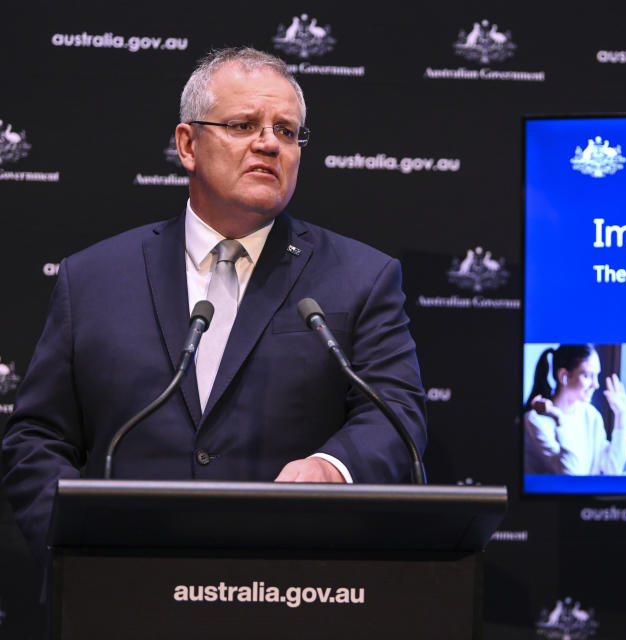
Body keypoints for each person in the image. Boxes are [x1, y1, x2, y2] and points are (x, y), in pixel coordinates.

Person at [0, 47, 427, 556]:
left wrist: (333, 467)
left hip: (294, 584)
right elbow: (38, 436)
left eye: (286, 131)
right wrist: (74, 540)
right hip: (123, 587)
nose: (269, 144)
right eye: (244, 125)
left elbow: (396, 414)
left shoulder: (362, 277)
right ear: (188, 145)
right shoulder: (92, 278)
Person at [523, 344, 626, 475]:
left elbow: (612, 469)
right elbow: (570, 475)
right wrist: (559, 419)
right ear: (564, 376)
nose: (596, 385)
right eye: (588, 376)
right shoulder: (535, 421)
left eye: (596, 376)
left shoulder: (590, 415)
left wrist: (621, 416)